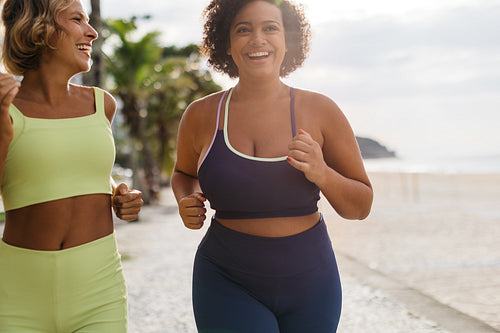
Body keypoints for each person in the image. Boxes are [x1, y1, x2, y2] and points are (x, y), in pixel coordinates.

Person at [171, 0, 373, 332]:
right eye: (243, 29)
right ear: (226, 42)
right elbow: (184, 173)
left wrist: (321, 172)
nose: (257, 39)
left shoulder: (321, 110)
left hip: (312, 281)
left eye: (270, 28)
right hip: (226, 279)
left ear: (288, 40)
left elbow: (360, 207)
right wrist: (185, 199)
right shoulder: (202, 114)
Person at [0, 0, 144, 331]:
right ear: (40, 29)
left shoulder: (101, 104)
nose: (92, 32)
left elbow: (78, 167)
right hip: (17, 293)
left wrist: (117, 192)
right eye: (77, 19)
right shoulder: (5, 107)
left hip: (99, 289)